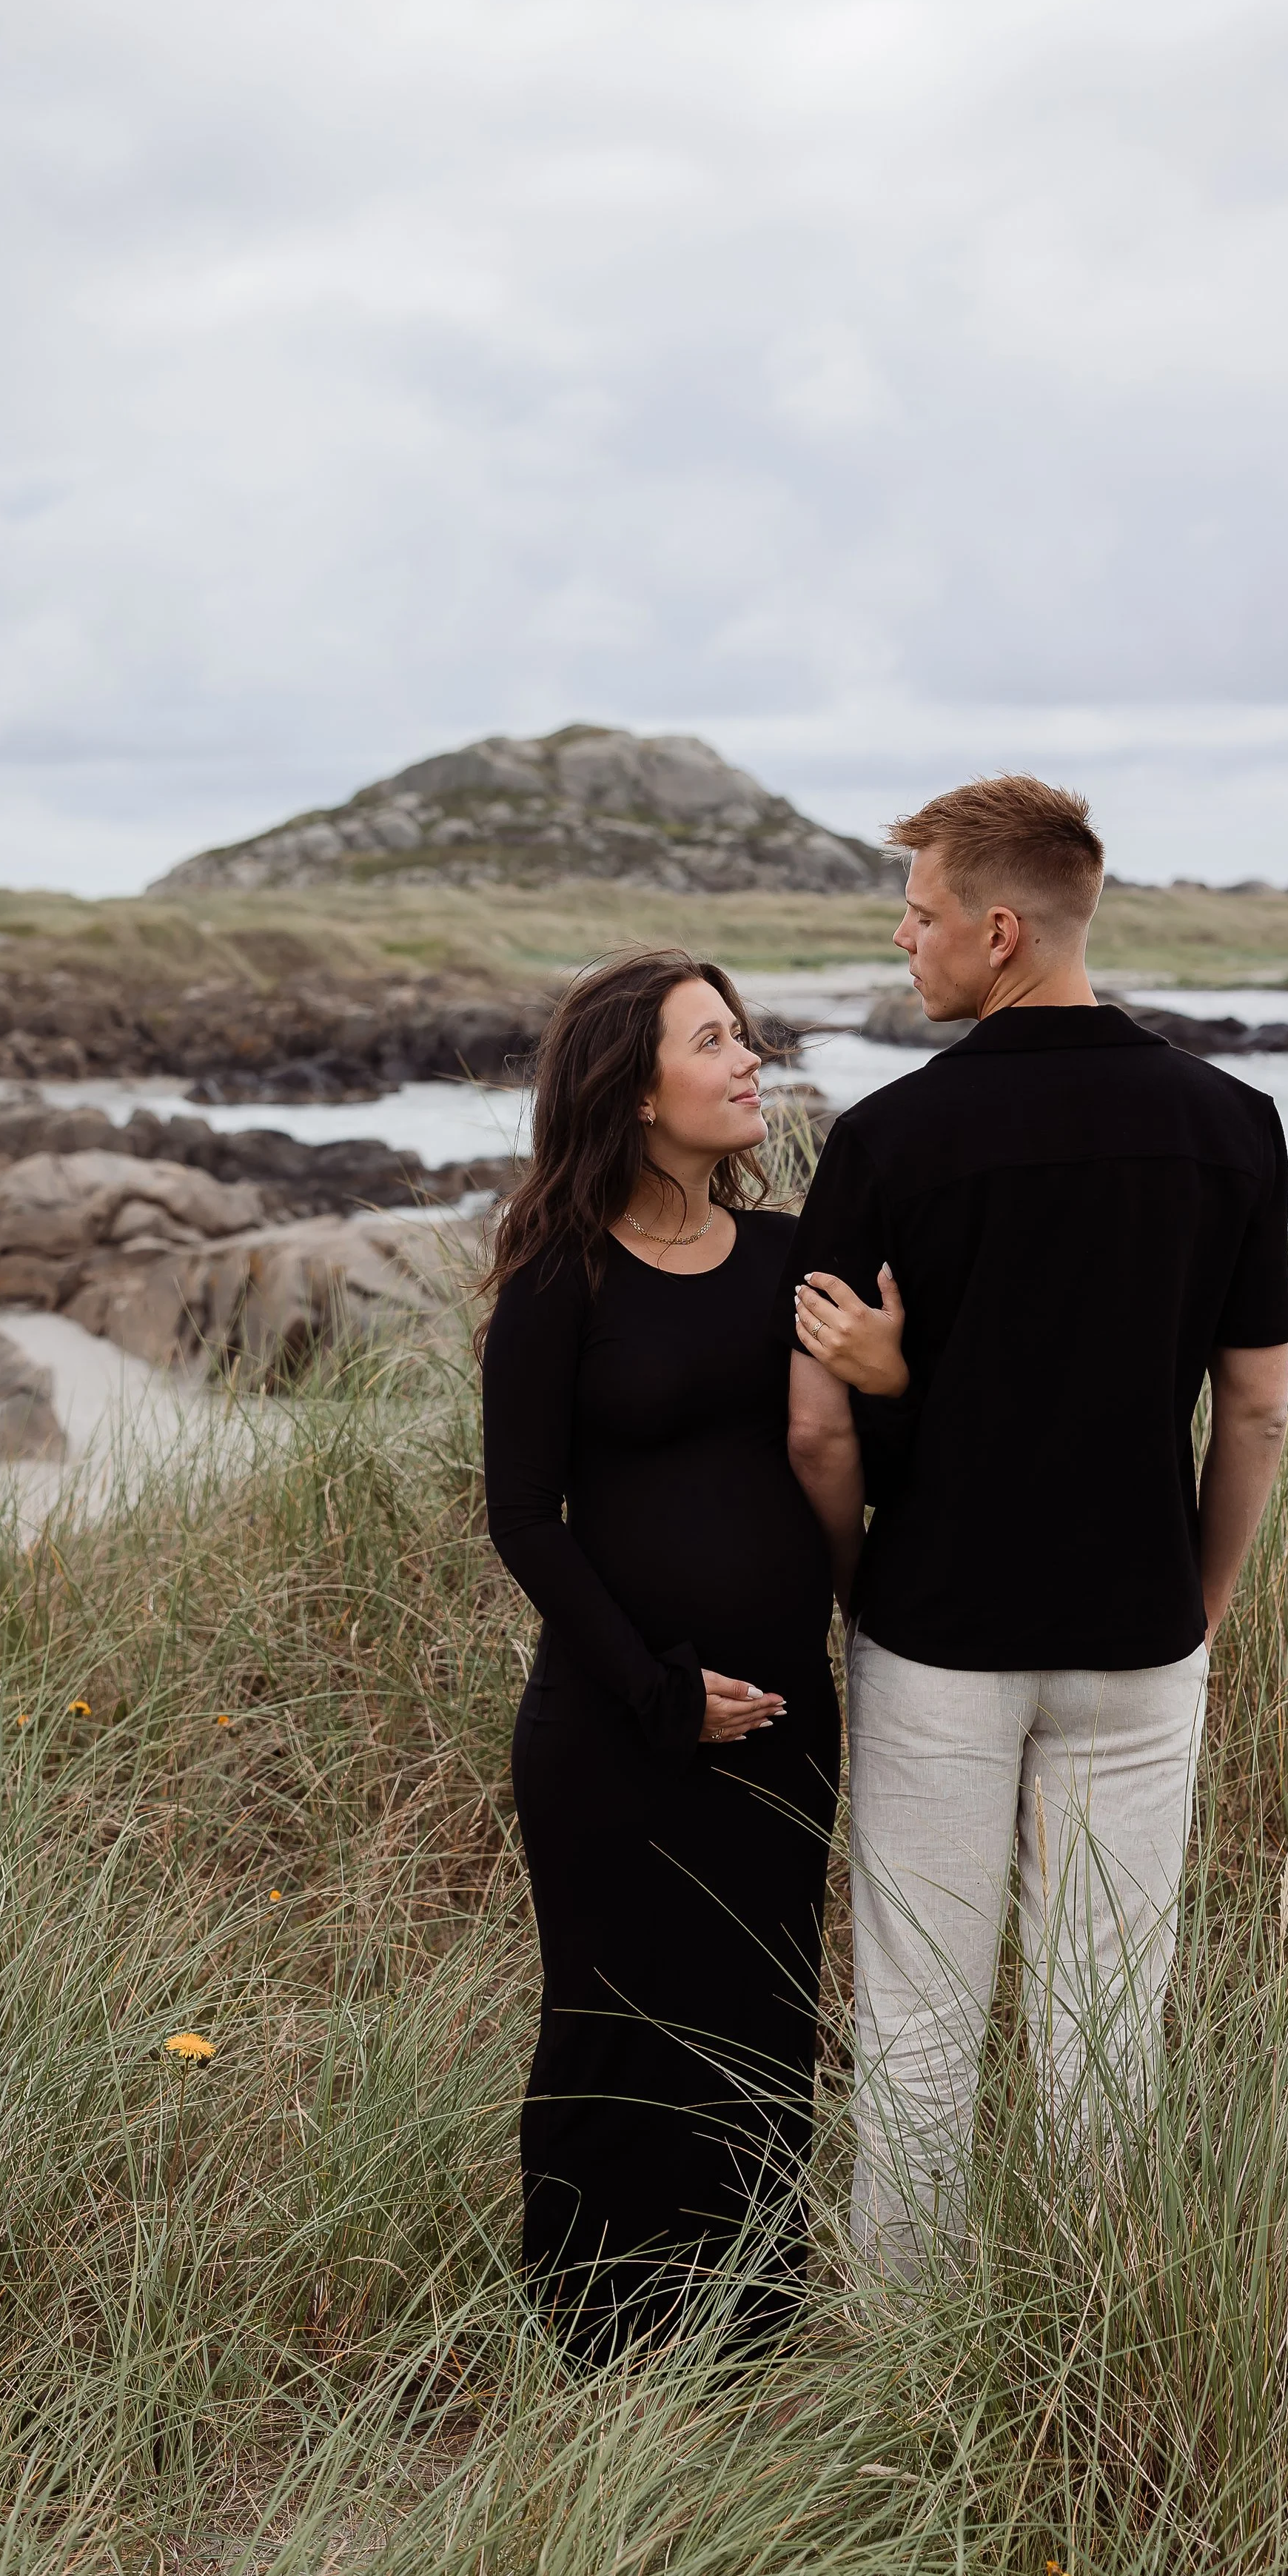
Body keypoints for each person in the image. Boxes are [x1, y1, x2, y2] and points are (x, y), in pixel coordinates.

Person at [785, 777, 1288, 2275]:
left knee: (920, 2025)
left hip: (935, 1642)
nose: (905, 938)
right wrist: (1195, 1602)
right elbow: (1253, 1410)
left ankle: (904, 2370)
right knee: (1103, 2025)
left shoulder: (886, 1141)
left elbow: (817, 1425)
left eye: (924, 912)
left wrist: (851, 1594)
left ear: (998, 930)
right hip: (1139, 1646)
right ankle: (1091, 2353)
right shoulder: (1232, 1124)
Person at [480, 949, 841, 2356]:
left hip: (787, 1725)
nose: (750, 1058)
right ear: (635, 1088)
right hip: (613, 1734)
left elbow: (853, 1433)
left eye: (743, 1035)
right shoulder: (558, 1278)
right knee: (613, 2022)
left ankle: (748, 2336)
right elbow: (525, 1519)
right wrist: (658, 1694)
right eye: (714, 1039)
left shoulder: (789, 1250)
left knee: (763, 2017)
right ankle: (593, 2349)